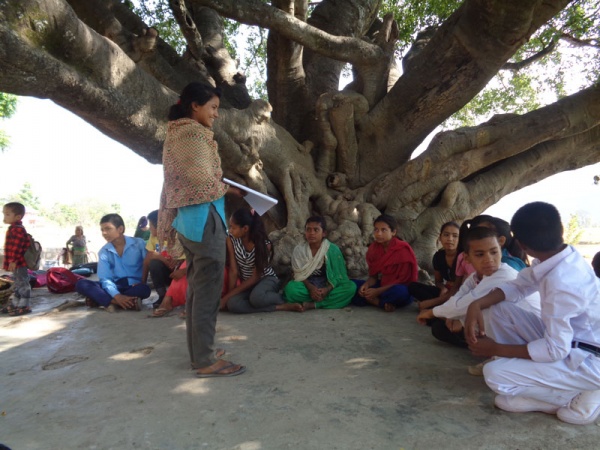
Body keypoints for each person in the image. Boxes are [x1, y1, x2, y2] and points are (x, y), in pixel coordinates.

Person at [465, 202, 600, 425]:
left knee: (494, 375)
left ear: (521, 245)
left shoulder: (563, 283)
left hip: (588, 360)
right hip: (572, 343)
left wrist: (496, 348)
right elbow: (518, 287)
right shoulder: (560, 257)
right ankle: (551, 394)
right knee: (500, 309)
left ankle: (580, 392)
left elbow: (555, 350)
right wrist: (476, 305)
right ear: (561, 230)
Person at [158, 82, 246, 378]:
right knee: (207, 292)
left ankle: (200, 352)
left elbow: (192, 179)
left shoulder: (177, 133)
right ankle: (206, 360)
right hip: (203, 221)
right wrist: (230, 189)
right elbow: (200, 182)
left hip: (190, 223)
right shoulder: (193, 135)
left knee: (197, 290)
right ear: (195, 105)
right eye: (213, 108)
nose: (216, 115)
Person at [416, 227, 540, 349]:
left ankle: (499, 353)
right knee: (447, 322)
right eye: (480, 254)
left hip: (537, 334)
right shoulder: (475, 276)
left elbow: (461, 305)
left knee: (483, 309)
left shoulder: (503, 274)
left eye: (494, 252)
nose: (489, 259)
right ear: (467, 258)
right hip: (518, 330)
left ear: (500, 249)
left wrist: (429, 313)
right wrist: (451, 315)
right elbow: (458, 298)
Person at [221, 208, 301, 313]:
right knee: (233, 304)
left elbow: (255, 277)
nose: (230, 230)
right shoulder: (231, 239)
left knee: (256, 298)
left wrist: (227, 297)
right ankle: (279, 307)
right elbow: (233, 270)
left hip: (266, 280)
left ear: (245, 228)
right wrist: (229, 296)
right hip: (247, 283)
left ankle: (282, 299)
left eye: (233, 227)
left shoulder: (263, 244)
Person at [75, 214, 151, 311]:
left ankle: (100, 300)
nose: (104, 233)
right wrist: (117, 296)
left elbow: (148, 263)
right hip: (114, 285)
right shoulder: (104, 252)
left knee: (145, 290)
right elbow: (105, 278)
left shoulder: (138, 244)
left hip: (134, 285)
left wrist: (142, 281)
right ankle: (116, 302)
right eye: (102, 230)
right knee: (81, 284)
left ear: (120, 229)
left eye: (108, 229)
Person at [284, 216, 356, 310]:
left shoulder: (333, 250)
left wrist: (327, 289)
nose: (311, 233)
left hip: (327, 286)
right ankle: (324, 301)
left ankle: (314, 305)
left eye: (316, 230)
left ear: (324, 233)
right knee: (291, 289)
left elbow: (339, 276)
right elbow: (298, 274)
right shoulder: (299, 250)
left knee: (350, 288)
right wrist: (311, 289)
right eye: (308, 230)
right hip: (307, 286)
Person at [352, 214, 418, 312]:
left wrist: (377, 291)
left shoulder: (402, 249)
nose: (378, 234)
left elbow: (404, 281)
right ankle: (383, 303)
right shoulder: (373, 249)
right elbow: (373, 277)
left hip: (398, 287)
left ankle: (377, 302)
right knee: (352, 285)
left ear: (393, 232)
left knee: (400, 292)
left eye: (383, 230)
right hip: (382, 285)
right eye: (376, 230)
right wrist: (366, 285)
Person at [408, 221, 460, 310]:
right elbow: (438, 281)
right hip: (446, 291)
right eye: (446, 235)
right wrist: (443, 288)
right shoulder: (438, 256)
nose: (450, 239)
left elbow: (464, 286)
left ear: (460, 239)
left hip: (459, 294)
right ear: (440, 237)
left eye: (455, 236)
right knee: (412, 286)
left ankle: (434, 306)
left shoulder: (463, 257)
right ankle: (438, 307)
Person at [143, 210, 182, 309]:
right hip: (165, 272)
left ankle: (181, 296)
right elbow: (149, 257)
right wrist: (142, 283)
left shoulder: (178, 236)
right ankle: (162, 295)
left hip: (179, 272)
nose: (149, 229)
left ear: (160, 226)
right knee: (154, 263)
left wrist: (178, 261)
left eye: (151, 225)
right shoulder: (153, 238)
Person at [1, 202, 32, 316]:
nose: (4, 217)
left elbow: (18, 247)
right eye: (4, 214)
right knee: (18, 283)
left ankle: (24, 305)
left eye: (7, 214)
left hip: (18, 262)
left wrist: (13, 260)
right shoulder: (13, 228)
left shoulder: (18, 230)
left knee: (23, 283)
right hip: (14, 263)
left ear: (18, 217)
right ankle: (15, 304)